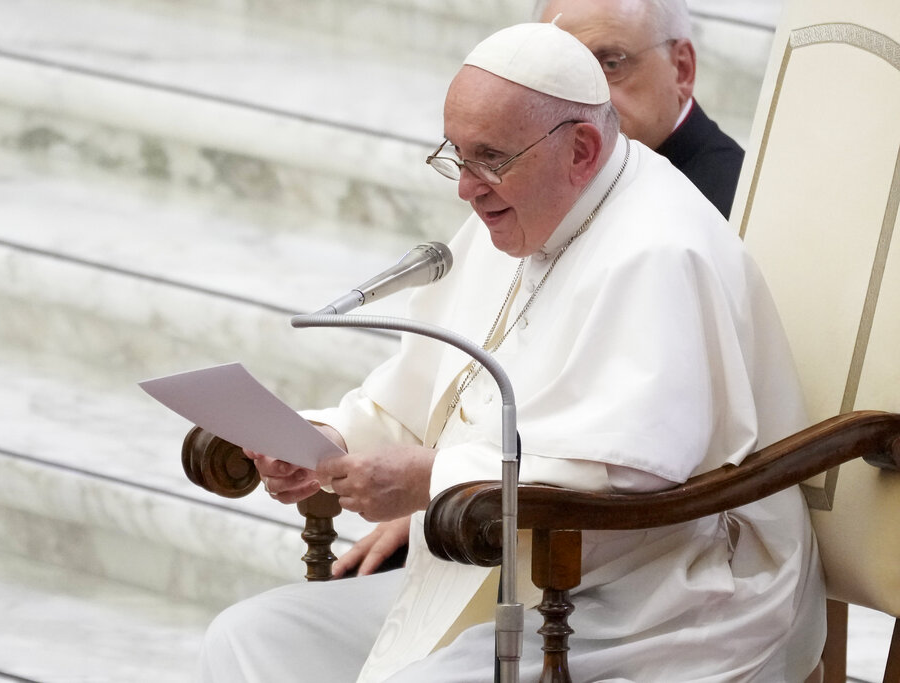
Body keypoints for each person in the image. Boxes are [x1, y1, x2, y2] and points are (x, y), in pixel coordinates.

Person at [198, 20, 825, 683]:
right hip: (509, 568)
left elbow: (632, 473)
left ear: (582, 148)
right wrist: (326, 439)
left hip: (667, 600)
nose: (465, 188)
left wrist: (431, 480)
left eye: (489, 158)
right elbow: (422, 389)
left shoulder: (664, 250)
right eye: (456, 154)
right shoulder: (513, 211)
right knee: (252, 637)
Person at [538, 0, 744, 218]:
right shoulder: (545, 175)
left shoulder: (739, 206)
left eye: (611, 64)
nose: (583, 94)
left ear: (682, 69)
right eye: (561, 71)